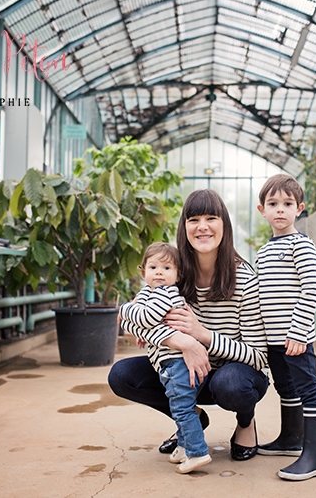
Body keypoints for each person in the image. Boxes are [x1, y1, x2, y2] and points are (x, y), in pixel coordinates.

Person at [109, 189, 269, 464]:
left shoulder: (244, 279)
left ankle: (246, 422)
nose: (202, 227)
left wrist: (202, 336)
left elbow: (259, 356)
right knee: (122, 375)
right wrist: (182, 342)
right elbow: (132, 322)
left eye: (211, 218)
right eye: (193, 219)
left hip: (229, 376)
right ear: (184, 227)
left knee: (231, 384)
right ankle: (190, 418)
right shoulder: (172, 272)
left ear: (224, 225)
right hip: (186, 373)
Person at [255, 174, 316, 481]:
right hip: (273, 340)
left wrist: (298, 332)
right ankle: (290, 438)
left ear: (299, 208)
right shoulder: (263, 252)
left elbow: (312, 287)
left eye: (287, 204)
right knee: (284, 388)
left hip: (295, 339)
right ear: (262, 210)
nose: (280, 210)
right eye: (273, 204)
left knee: (308, 389)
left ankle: (314, 456)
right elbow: (259, 297)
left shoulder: (302, 245)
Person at [119, 242, 211, 474]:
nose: (159, 272)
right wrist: (145, 332)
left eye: (167, 268)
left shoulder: (165, 293)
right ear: (143, 272)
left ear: (178, 275)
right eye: (153, 267)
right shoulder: (149, 293)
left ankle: (197, 452)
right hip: (168, 363)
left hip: (178, 363)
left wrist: (124, 309)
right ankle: (183, 444)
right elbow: (141, 325)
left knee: (182, 408)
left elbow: (147, 318)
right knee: (177, 405)